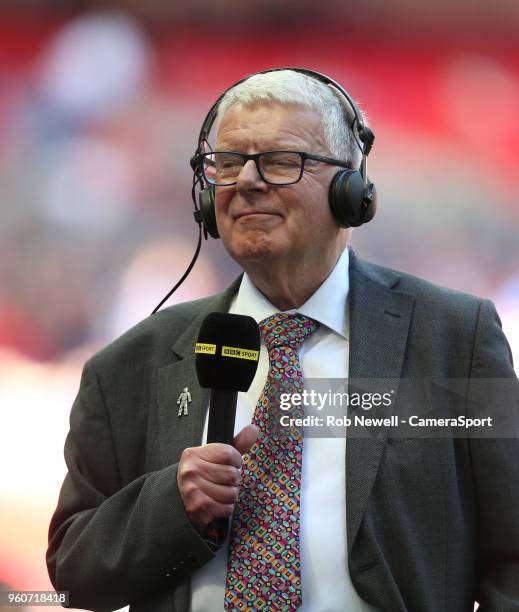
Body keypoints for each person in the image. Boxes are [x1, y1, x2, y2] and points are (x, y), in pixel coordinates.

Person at [47, 69, 519, 611]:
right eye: (227, 164)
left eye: (279, 161)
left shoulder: (453, 338)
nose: (246, 181)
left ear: (351, 191)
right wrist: (170, 504)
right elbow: (71, 574)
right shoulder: (130, 364)